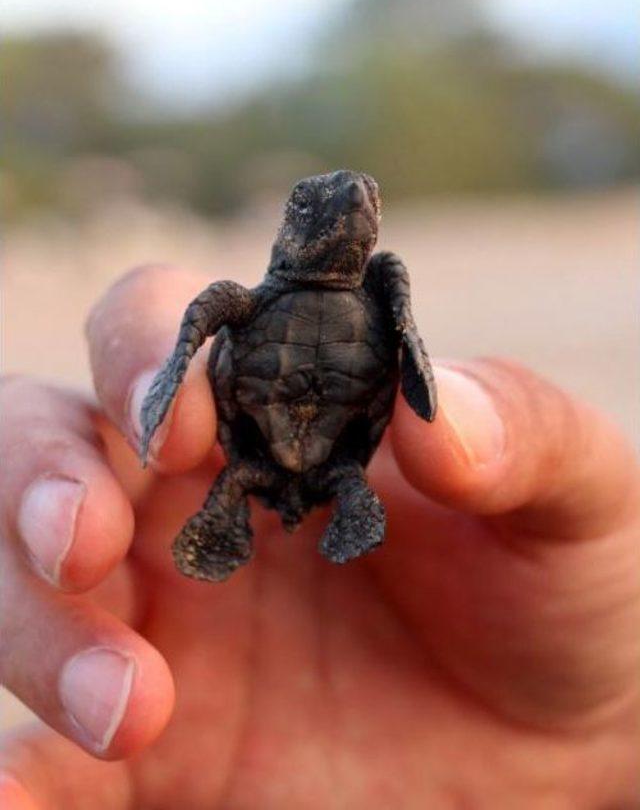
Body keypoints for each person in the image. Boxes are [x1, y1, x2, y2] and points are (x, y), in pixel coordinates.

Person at [0, 264, 638, 810]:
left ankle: (299, 506)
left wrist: (602, 749)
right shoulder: (248, 298)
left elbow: (406, 340)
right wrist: (165, 379)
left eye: (366, 203)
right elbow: (196, 328)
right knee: (230, 474)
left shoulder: (379, 282)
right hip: (260, 456)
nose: (350, 206)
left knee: (328, 493)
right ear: (294, 229)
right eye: (317, 203)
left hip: (339, 464)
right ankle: (232, 515)